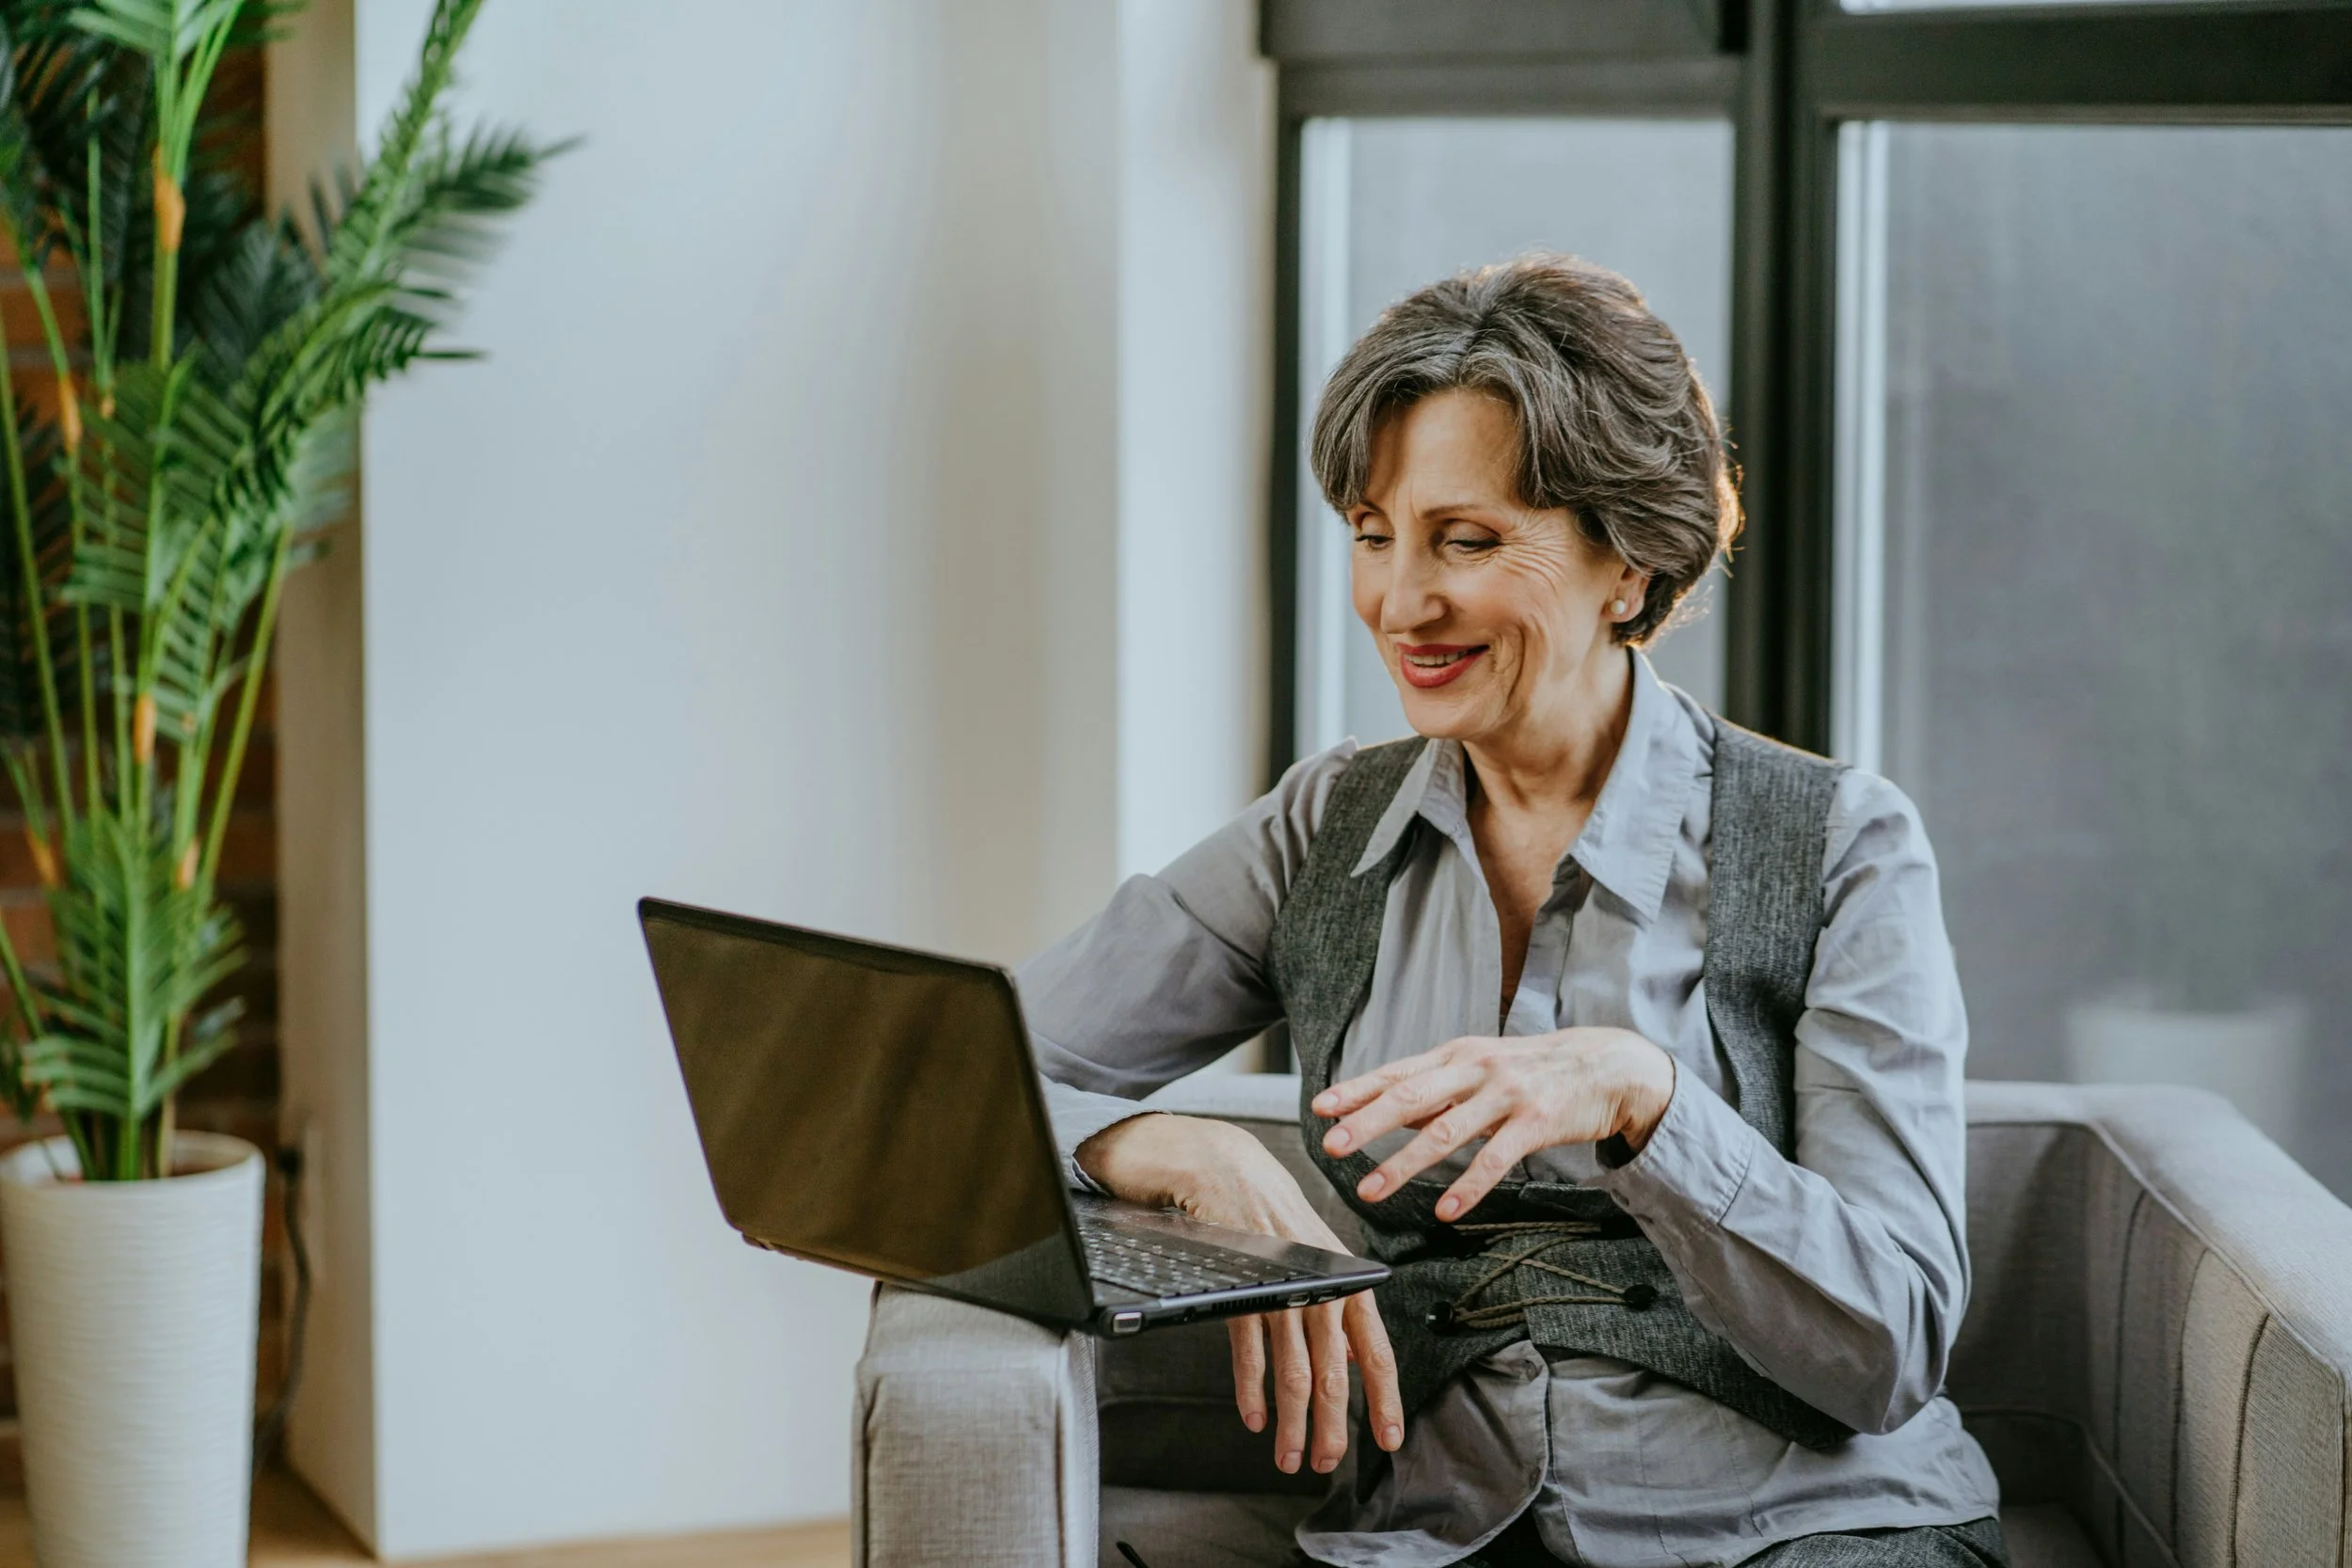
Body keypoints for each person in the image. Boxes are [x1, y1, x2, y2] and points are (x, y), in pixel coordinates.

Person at [1019, 255, 2004, 1568]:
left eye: (1468, 540)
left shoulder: (1841, 845)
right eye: (1374, 533)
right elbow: (952, 1079)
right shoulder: (1324, 829)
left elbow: (1894, 1341)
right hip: (1444, 1531)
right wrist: (1166, 1146)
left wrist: (1646, 1099)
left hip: (1814, 1529)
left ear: (1629, 560)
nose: (1401, 603)